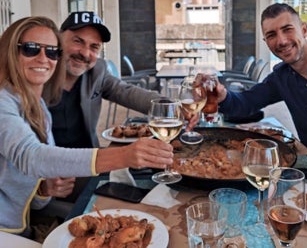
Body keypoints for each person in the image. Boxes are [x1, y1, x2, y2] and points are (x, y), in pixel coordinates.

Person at [0, 16, 175, 238]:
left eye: (51, 51)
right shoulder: (8, 99)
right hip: (11, 228)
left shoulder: (38, 105)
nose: (43, 58)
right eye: (31, 49)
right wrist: (123, 155)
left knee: (135, 201)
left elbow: (127, 92)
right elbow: (33, 157)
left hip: (37, 204)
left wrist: (172, 107)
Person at [47, 11, 197, 202]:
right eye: (77, 41)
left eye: (94, 47)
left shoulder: (97, 71)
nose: (85, 53)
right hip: (53, 174)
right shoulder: (40, 75)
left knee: (158, 185)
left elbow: (126, 92)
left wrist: (172, 107)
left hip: (90, 163)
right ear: (59, 38)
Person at [217, 3, 307, 155]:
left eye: (287, 30)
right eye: (271, 35)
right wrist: (222, 96)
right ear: (266, 42)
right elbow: (247, 102)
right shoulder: (281, 78)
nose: (281, 41)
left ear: (304, 30)